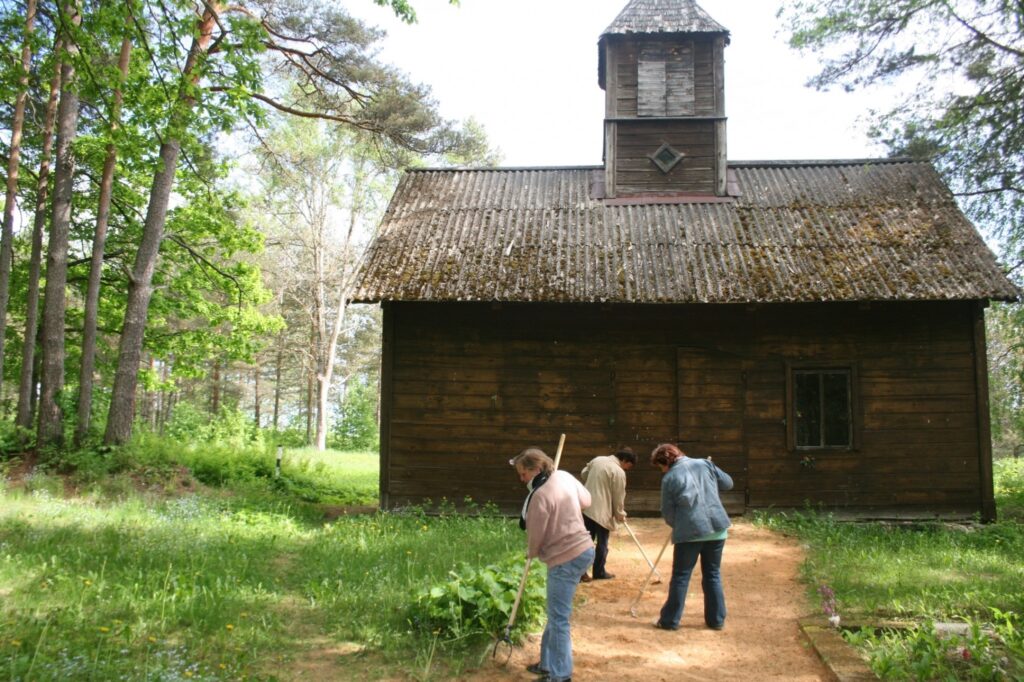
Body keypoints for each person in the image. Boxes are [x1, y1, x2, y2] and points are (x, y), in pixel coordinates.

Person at [511, 447, 594, 682]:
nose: (522, 479)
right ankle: (547, 663)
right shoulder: (564, 476)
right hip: (585, 550)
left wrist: (531, 553)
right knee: (556, 612)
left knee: (559, 619)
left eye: (524, 474)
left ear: (536, 469)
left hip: (565, 558)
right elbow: (586, 501)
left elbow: (535, 535)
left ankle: (560, 675)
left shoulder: (539, 496)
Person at [650, 442, 733, 631]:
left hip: (689, 532)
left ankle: (669, 621)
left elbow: (667, 511)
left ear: (666, 462)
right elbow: (728, 483)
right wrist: (712, 472)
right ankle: (716, 620)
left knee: (681, 576)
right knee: (713, 574)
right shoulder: (705, 464)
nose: (662, 471)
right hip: (717, 529)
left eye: (661, 467)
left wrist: (678, 524)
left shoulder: (670, 477)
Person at [579, 447, 637, 581]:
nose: (628, 469)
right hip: (602, 511)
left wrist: (595, 482)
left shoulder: (597, 460)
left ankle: (581, 573)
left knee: (585, 541)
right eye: (629, 466)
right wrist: (620, 513)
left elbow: (584, 474)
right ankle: (599, 572)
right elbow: (618, 496)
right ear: (625, 460)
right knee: (602, 543)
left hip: (586, 506)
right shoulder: (619, 472)